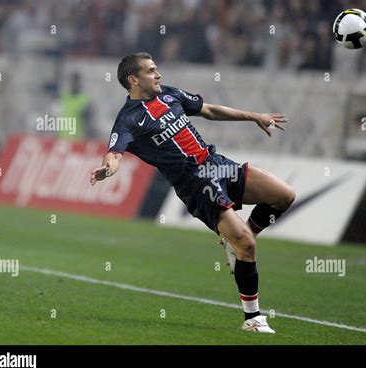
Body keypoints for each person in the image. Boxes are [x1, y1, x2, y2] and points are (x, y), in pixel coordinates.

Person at [90, 52, 295, 333]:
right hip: (196, 184)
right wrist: (107, 169)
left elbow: (209, 110)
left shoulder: (170, 95)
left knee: (284, 195)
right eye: (151, 71)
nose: (158, 74)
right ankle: (253, 319)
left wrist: (254, 116)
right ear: (133, 79)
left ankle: (233, 243)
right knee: (247, 245)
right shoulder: (128, 120)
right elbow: (114, 154)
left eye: (157, 69)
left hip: (217, 165)